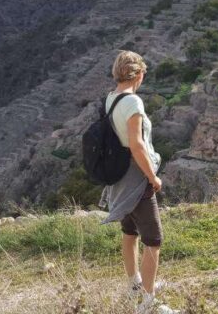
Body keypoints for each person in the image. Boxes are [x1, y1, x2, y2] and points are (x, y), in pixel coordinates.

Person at [98, 50, 163, 304]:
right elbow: (136, 145)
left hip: (118, 176)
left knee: (129, 232)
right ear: (140, 74)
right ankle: (149, 302)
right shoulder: (133, 102)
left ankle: (135, 283)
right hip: (136, 178)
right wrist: (152, 178)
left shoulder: (111, 98)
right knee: (154, 240)